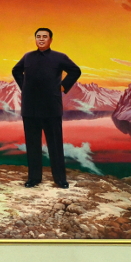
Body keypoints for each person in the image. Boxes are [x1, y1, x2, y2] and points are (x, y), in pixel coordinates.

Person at [12, 28, 81, 189]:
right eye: (38, 37)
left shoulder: (59, 57)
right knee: (33, 144)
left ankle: (60, 179)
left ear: (50, 39)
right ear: (35, 39)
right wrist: (25, 87)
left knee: (55, 145)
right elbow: (15, 70)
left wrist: (63, 86)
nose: (41, 39)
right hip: (30, 108)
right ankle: (34, 178)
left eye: (44, 37)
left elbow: (75, 71)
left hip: (51, 107)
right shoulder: (28, 57)